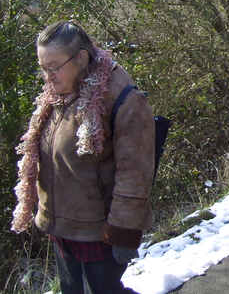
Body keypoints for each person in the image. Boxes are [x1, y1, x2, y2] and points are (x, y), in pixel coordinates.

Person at [12, 21, 155, 294]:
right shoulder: (57, 95)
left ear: (81, 58)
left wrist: (122, 233)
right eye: (43, 67)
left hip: (100, 231)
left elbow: (135, 175)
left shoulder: (122, 99)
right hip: (64, 228)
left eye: (54, 66)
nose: (48, 76)